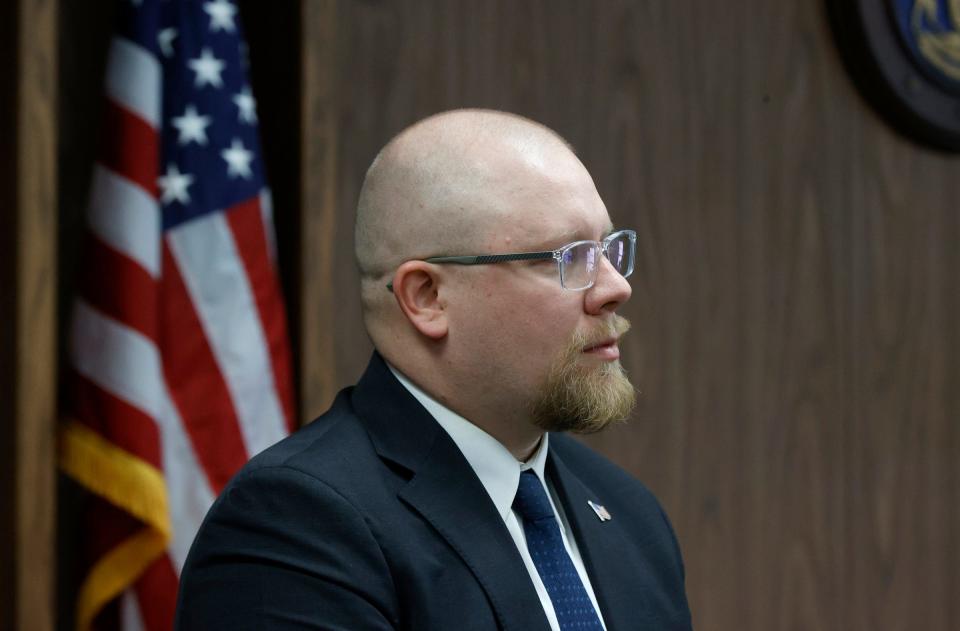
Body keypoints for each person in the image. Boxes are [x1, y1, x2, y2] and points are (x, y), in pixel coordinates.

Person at [175, 109, 693, 630]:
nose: (614, 288)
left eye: (609, 249)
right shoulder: (295, 524)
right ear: (427, 298)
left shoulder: (627, 512)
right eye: (568, 257)